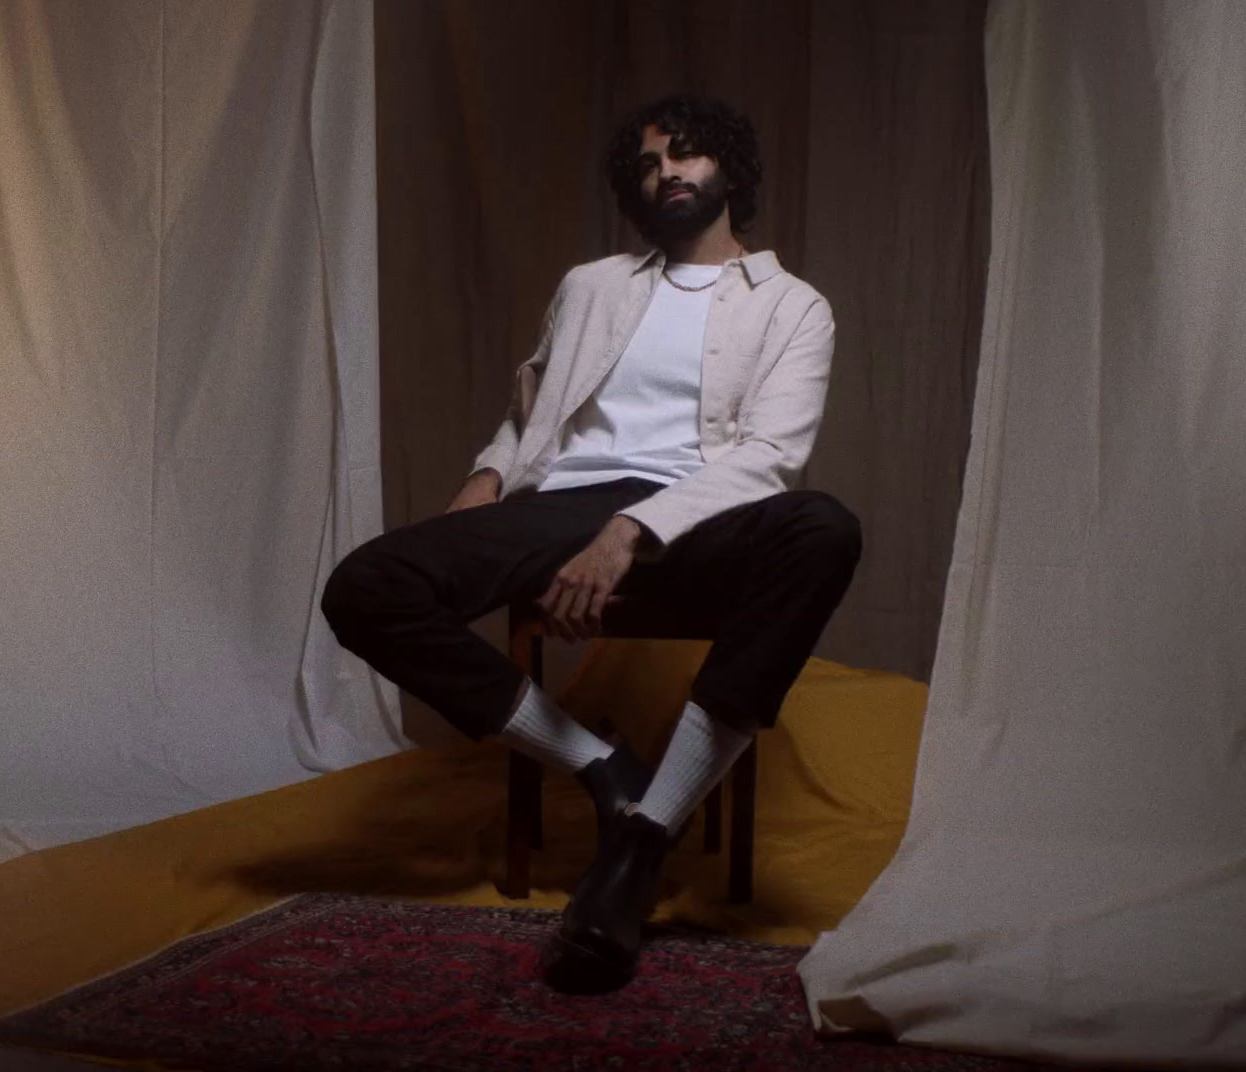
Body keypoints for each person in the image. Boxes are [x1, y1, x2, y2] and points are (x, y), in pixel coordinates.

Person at [321, 94, 861, 992]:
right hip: (562, 503)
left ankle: (647, 833)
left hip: (697, 515)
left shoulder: (794, 307)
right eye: (649, 164)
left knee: (824, 529)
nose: (668, 175)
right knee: (364, 587)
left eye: (685, 157)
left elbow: (771, 456)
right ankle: (605, 768)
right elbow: (534, 407)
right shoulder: (593, 284)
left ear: (728, 167)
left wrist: (632, 530)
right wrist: (488, 476)